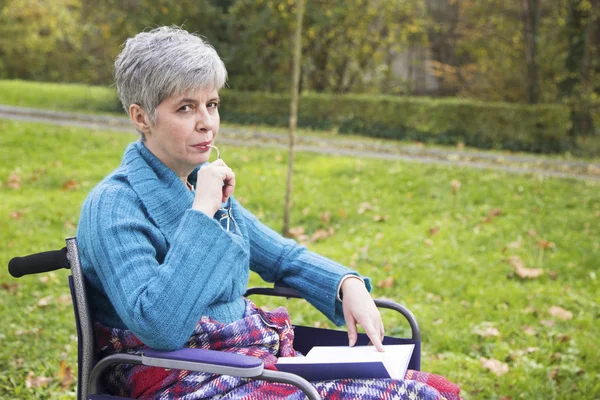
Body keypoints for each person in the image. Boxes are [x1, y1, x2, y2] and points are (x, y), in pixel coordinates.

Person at [77, 26, 460, 399]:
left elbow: (281, 257)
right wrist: (202, 213)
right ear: (141, 117)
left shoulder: (197, 182)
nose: (206, 122)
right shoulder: (114, 205)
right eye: (185, 108)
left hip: (244, 357)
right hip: (178, 376)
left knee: (429, 391)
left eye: (211, 104)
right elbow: (158, 326)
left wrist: (346, 284)